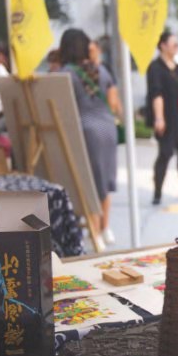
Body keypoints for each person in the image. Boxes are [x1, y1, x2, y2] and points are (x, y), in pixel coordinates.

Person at [58, 29, 118, 244]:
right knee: (105, 181)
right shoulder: (100, 70)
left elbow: (61, 108)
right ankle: (105, 228)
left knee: (90, 182)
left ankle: (93, 232)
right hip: (107, 128)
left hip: (86, 130)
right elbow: (113, 102)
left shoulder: (65, 73)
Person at [145, 31, 178, 205]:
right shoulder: (155, 68)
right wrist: (159, 118)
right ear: (163, 45)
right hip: (168, 118)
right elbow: (156, 94)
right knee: (165, 154)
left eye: (177, 45)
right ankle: (157, 191)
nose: (176, 48)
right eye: (173, 44)